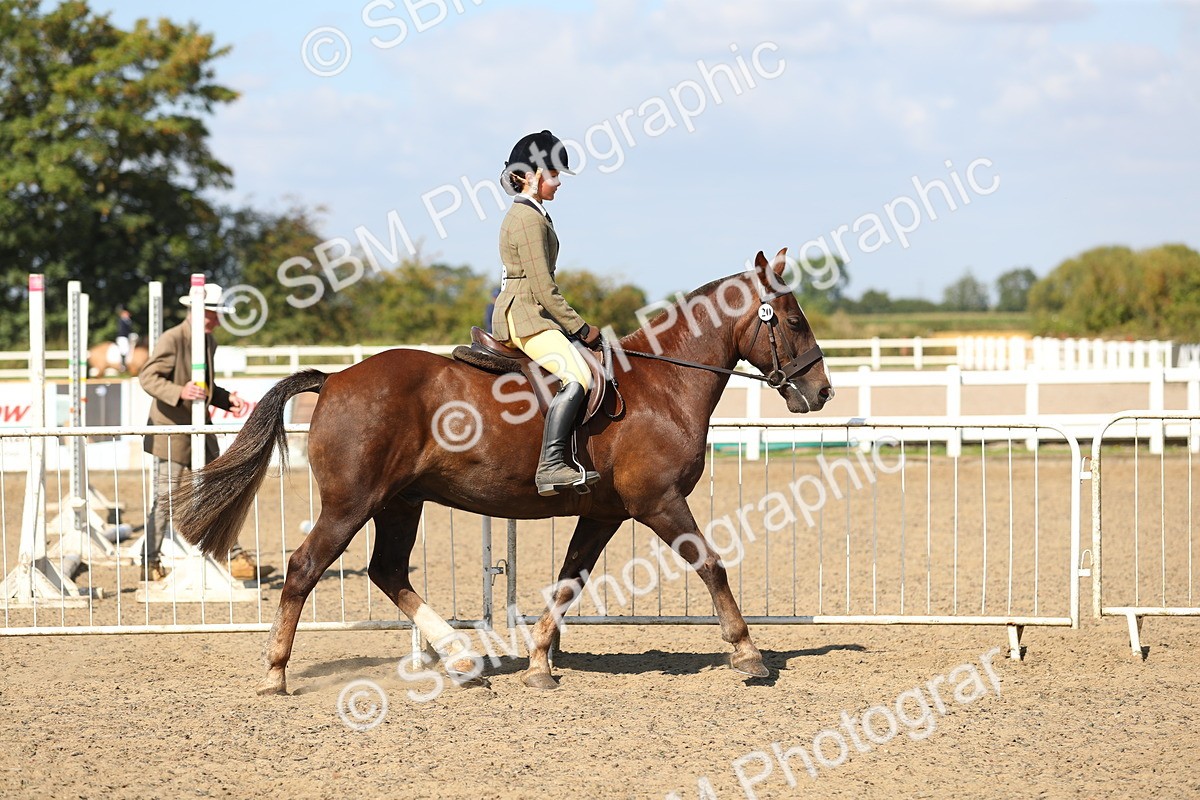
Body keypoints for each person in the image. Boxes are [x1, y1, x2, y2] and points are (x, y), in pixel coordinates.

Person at [491, 130, 603, 496]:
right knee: (578, 376)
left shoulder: (536, 214)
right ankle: (551, 464)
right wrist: (580, 326)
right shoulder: (527, 219)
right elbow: (543, 287)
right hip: (525, 313)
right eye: (553, 174)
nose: (558, 182)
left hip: (533, 311)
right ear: (531, 174)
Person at [139, 283, 274, 581]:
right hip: (170, 433)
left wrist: (225, 400)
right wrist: (179, 391)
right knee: (165, 500)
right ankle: (149, 563)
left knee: (219, 489)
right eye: (216, 313)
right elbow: (148, 377)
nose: (220, 319)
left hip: (199, 428)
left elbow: (203, 387)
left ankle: (234, 557)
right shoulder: (172, 338)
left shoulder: (208, 341)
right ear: (202, 312)